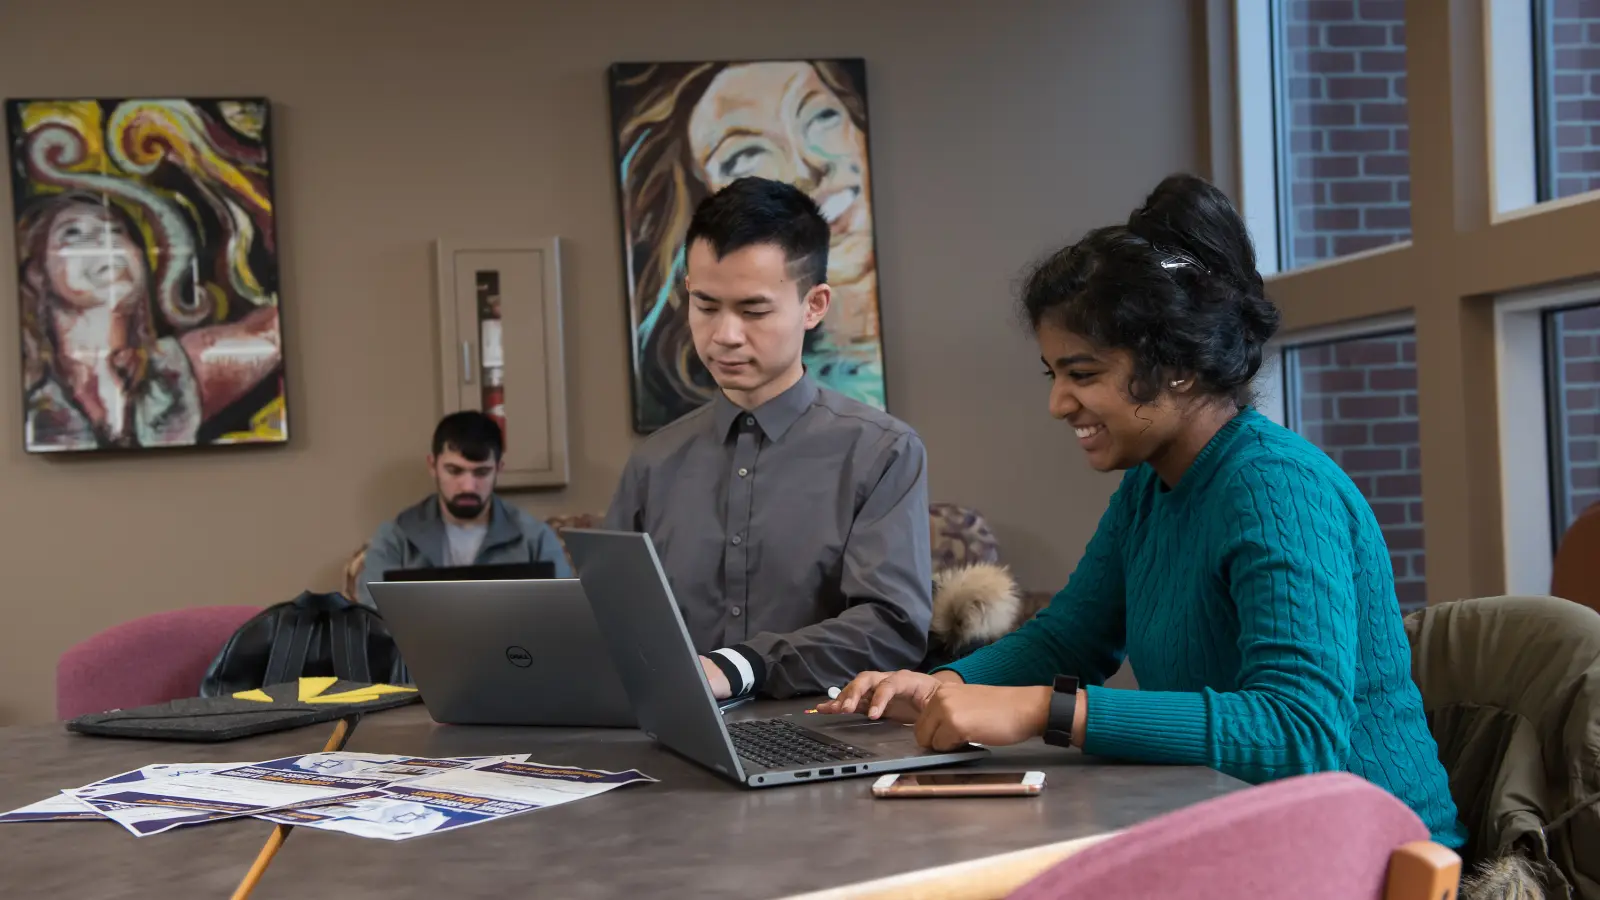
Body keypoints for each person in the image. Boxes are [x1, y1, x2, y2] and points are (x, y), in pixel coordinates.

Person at [819, 173, 1468, 849]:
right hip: (1254, 833)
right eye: (1054, 375)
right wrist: (941, 686)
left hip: (1371, 856)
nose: (1058, 404)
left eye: (1083, 374)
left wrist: (1047, 710)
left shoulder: (1276, 488)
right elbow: (1071, 639)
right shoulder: (1149, 488)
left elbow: (1297, 733)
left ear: (1177, 366)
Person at [603, 176, 932, 701]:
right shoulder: (653, 462)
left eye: (753, 311)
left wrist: (739, 667)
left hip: (823, 732)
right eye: (705, 305)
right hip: (674, 730)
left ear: (814, 305)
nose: (724, 335)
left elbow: (891, 628)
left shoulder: (882, 452)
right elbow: (608, 615)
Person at [612, 59, 884, 429]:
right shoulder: (659, 457)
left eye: (821, 117)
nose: (807, 166)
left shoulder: (887, 448)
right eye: (745, 155)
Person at [16, 191, 282, 451]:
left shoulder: (171, 373)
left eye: (116, 231)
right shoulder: (27, 394)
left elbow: (274, 332)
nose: (106, 241)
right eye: (73, 233)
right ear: (36, 273)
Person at [355, 411, 571, 607]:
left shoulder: (535, 539)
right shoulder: (396, 538)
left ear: (498, 470)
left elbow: (563, 616)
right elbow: (373, 620)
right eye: (454, 471)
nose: (468, 486)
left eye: (481, 473)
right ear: (432, 466)